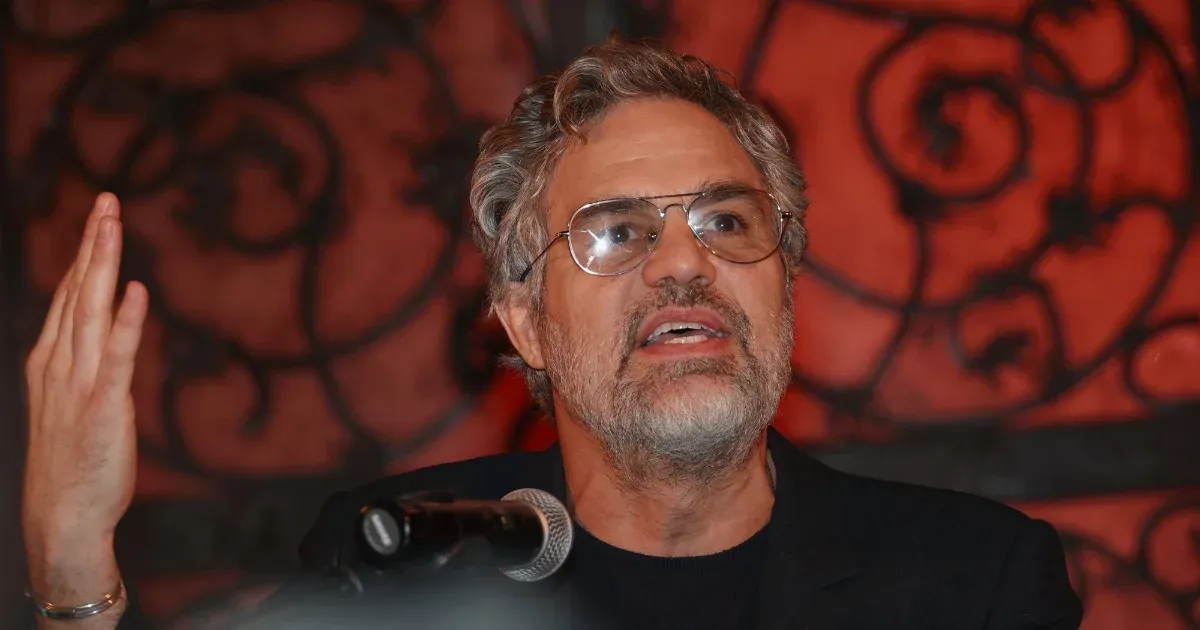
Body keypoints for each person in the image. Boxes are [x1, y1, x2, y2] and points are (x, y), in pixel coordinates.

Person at [22, 39, 1082, 629]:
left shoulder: (976, 582)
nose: (683, 264)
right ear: (525, 321)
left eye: (726, 222)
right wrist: (73, 573)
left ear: (786, 280)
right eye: (616, 232)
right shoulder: (403, 558)